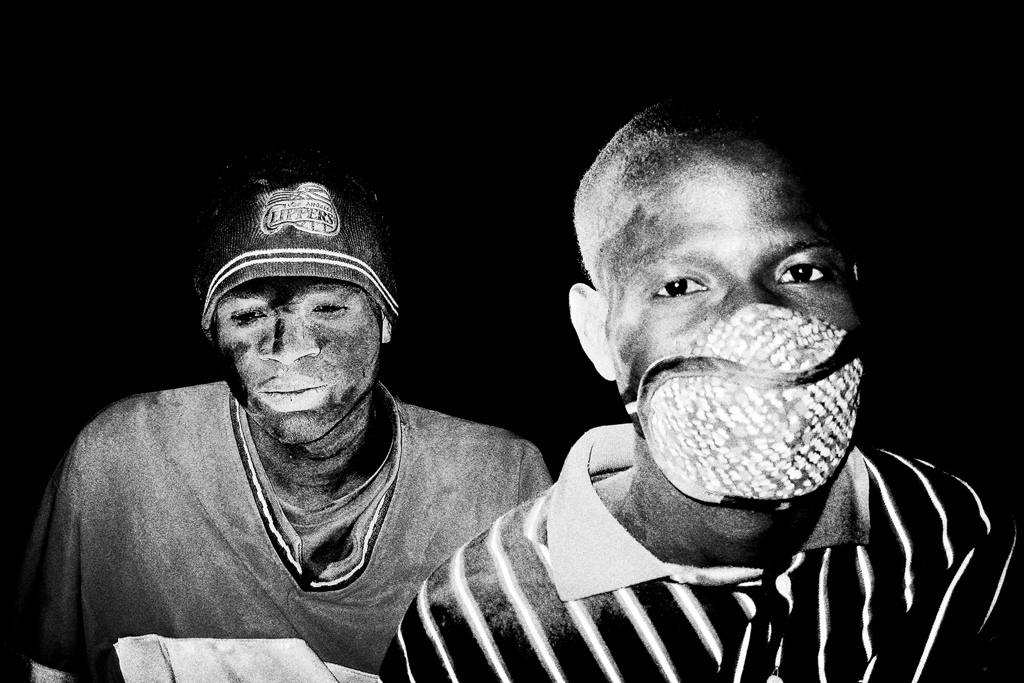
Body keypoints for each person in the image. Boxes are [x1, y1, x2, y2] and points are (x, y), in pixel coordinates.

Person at [379, 104, 1017, 681]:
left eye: (802, 271)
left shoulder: (954, 535)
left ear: (856, 289)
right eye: (681, 286)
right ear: (598, 333)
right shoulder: (472, 632)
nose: (757, 322)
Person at [9, 150, 552, 682]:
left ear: (385, 319)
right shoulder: (122, 459)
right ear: (212, 334)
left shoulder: (498, 479)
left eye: (328, 308)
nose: (287, 347)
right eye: (248, 315)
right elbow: (53, 672)